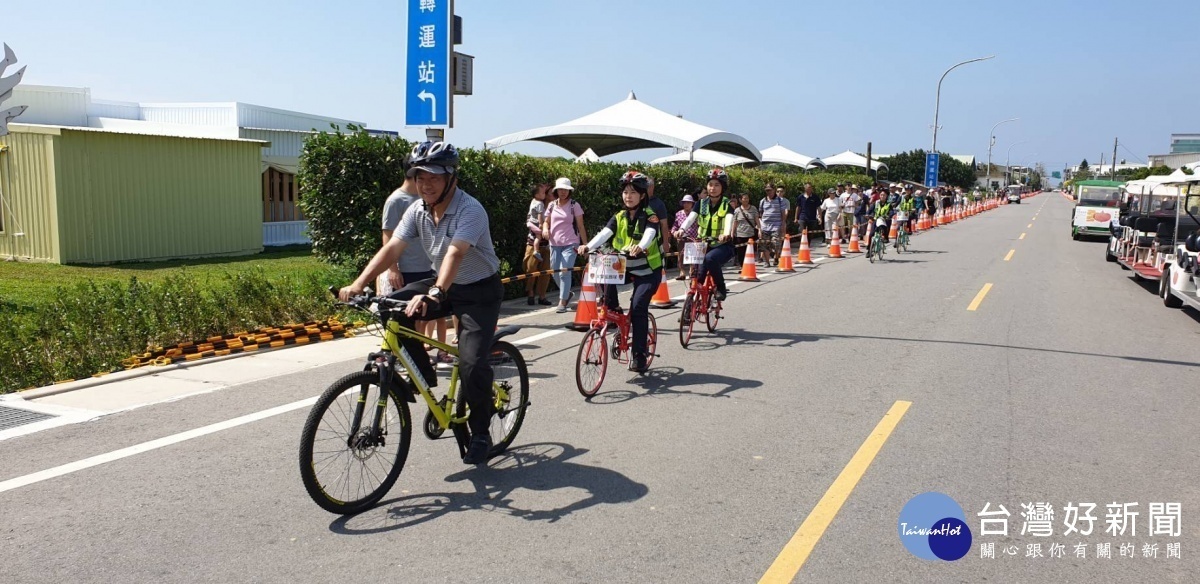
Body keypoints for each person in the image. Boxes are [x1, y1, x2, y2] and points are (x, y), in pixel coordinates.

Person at [339, 141, 502, 465]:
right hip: (440, 282)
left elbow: (455, 253)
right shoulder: (417, 209)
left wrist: (437, 292)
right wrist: (358, 284)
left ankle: (481, 431)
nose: (425, 185)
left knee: (471, 363)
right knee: (389, 309)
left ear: (451, 178)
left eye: (434, 177)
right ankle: (424, 380)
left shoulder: (470, 209)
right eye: (419, 177)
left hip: (479, 289)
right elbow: (393, 248)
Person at [577, 171, 663, 373]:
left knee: (638, 307)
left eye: (633, 192)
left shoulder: (651, 217)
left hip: (648, 272)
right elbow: (604, 234)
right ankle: (613, 310)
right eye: (625, 192)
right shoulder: (618, 217)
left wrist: (640, 247)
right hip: (624, 268)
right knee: (603, 272)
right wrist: (587, 246)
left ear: (642, 196)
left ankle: (639, 355)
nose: (628, 196)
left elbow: (649, 235)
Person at [381, 155, 449, 364]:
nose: (427, 183)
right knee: (403, 315)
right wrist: (393, 268)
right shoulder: (396, 200)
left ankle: (418, 357)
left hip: (428, 267)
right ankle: (405, 357)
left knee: (421, 314)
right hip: (408, 267)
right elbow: (388, 236)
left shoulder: (429, 198)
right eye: (422, 174)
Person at [677, 167, 735, 300]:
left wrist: (725, 234)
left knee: (710, 259)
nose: (712, 188)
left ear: (722, 187)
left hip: (722, 246)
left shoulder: (726, 205)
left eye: (716, 185)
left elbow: (729, 220)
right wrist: (681, 230)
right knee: (698, 278)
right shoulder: (701, 204)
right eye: (710, 184)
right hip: (702, 245)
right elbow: (691, 218)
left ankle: (721, 287)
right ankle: (690, 310)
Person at [542, 177, 588, 313]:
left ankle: (562, 302)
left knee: (564, 271)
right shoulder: (551, 205)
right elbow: (546, 221)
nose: (563, 192)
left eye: (566, 190)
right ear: (556, 191)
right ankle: (567, 294)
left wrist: (585, 245)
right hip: (555, 243)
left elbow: (580, 226)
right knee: (555, 271)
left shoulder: (575, 205)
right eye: (560, 189)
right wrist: (545, 229)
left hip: (571, 242)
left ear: (569, 191)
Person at [523, 183, 552, 306]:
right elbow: (528, 220)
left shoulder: (555, 208)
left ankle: (542, 296)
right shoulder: (537, 204)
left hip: (548, 244)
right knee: (530, 268)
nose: (551, 196)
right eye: (549, 193)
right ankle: (530, 293)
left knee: (546, 272)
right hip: (533, 241)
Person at [758, 183, 789, 267]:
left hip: (776, 226)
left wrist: (783, 224)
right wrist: (760, 228)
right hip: (765, 226)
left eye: (770, 190)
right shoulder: (763, 201)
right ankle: (767, 262)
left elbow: (783, 213)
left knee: (775, 244)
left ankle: (776, 256)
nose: (768, 192)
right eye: (766, 190)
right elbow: (760, 214)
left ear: (774, 190)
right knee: (764, 245)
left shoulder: (780, 200)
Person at [672, 193, 699, 280]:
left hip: (693, 237)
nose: (686, 204)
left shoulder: (695, 214)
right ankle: (682, 272)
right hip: (681, 237)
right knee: (681, 255)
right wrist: (674, 232)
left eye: (688, 202)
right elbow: (675, 225)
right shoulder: (678, 214)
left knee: (692, 256)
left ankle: (692, 271)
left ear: (692, 204)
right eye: (684, 202)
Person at [732, 193, 760, 266]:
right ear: (740, 200)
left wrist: (760, 230)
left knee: (750, 251)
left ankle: (749, 266)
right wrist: (732, 233)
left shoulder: (753, 208)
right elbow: (734, 222)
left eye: (747, 198)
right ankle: (742, 267)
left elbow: (757, 220)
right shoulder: (737, 210)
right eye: (744, 198)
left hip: (750, 234)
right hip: (740, 235)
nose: (746, 200)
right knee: (740, 252)